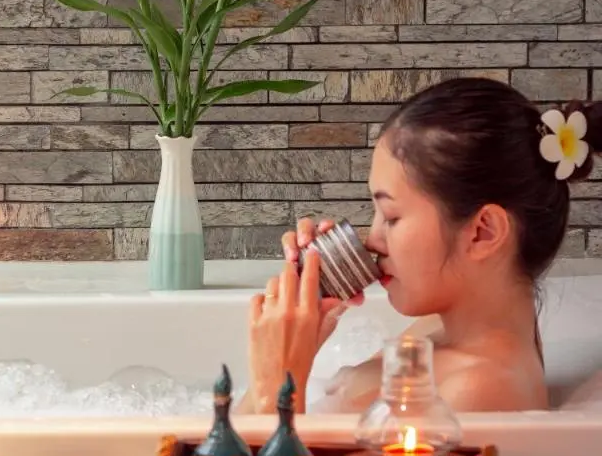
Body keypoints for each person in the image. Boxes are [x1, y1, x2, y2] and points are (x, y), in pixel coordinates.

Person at [237, 77, 596, 415]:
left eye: (391, 216)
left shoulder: (478, 390)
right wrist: (303, 337)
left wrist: (278, 383)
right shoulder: (440, 332)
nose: (372, 240)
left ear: (482, 232)